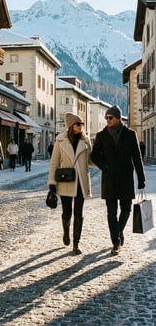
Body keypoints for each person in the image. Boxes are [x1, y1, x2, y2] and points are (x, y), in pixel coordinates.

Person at [91, 105, 146, 256]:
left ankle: (119, 231)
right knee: (111, 212)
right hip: (109, 178)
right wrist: (105, 166)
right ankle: (115, 242)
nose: (107, 120)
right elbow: (94, 155)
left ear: (118, 118)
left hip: (126, 178)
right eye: (106, 118)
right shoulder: (101, 135)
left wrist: (141, 178)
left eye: (110, 118)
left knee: (127, 209)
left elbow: (137, 157)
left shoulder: (130, 134)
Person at [48, 112, 92, 255]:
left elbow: (91, 160)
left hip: (81, 181)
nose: (81, 127)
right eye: (78, 124)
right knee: (67, 212)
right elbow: (54, 162)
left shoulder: (86, 141)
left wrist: (108, 164)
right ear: (71, 126)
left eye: (82, 124)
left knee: (79, 213)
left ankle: (76, 244)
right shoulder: (60, 141)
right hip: (65, 180)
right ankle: (66, 232)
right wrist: (52, 183)